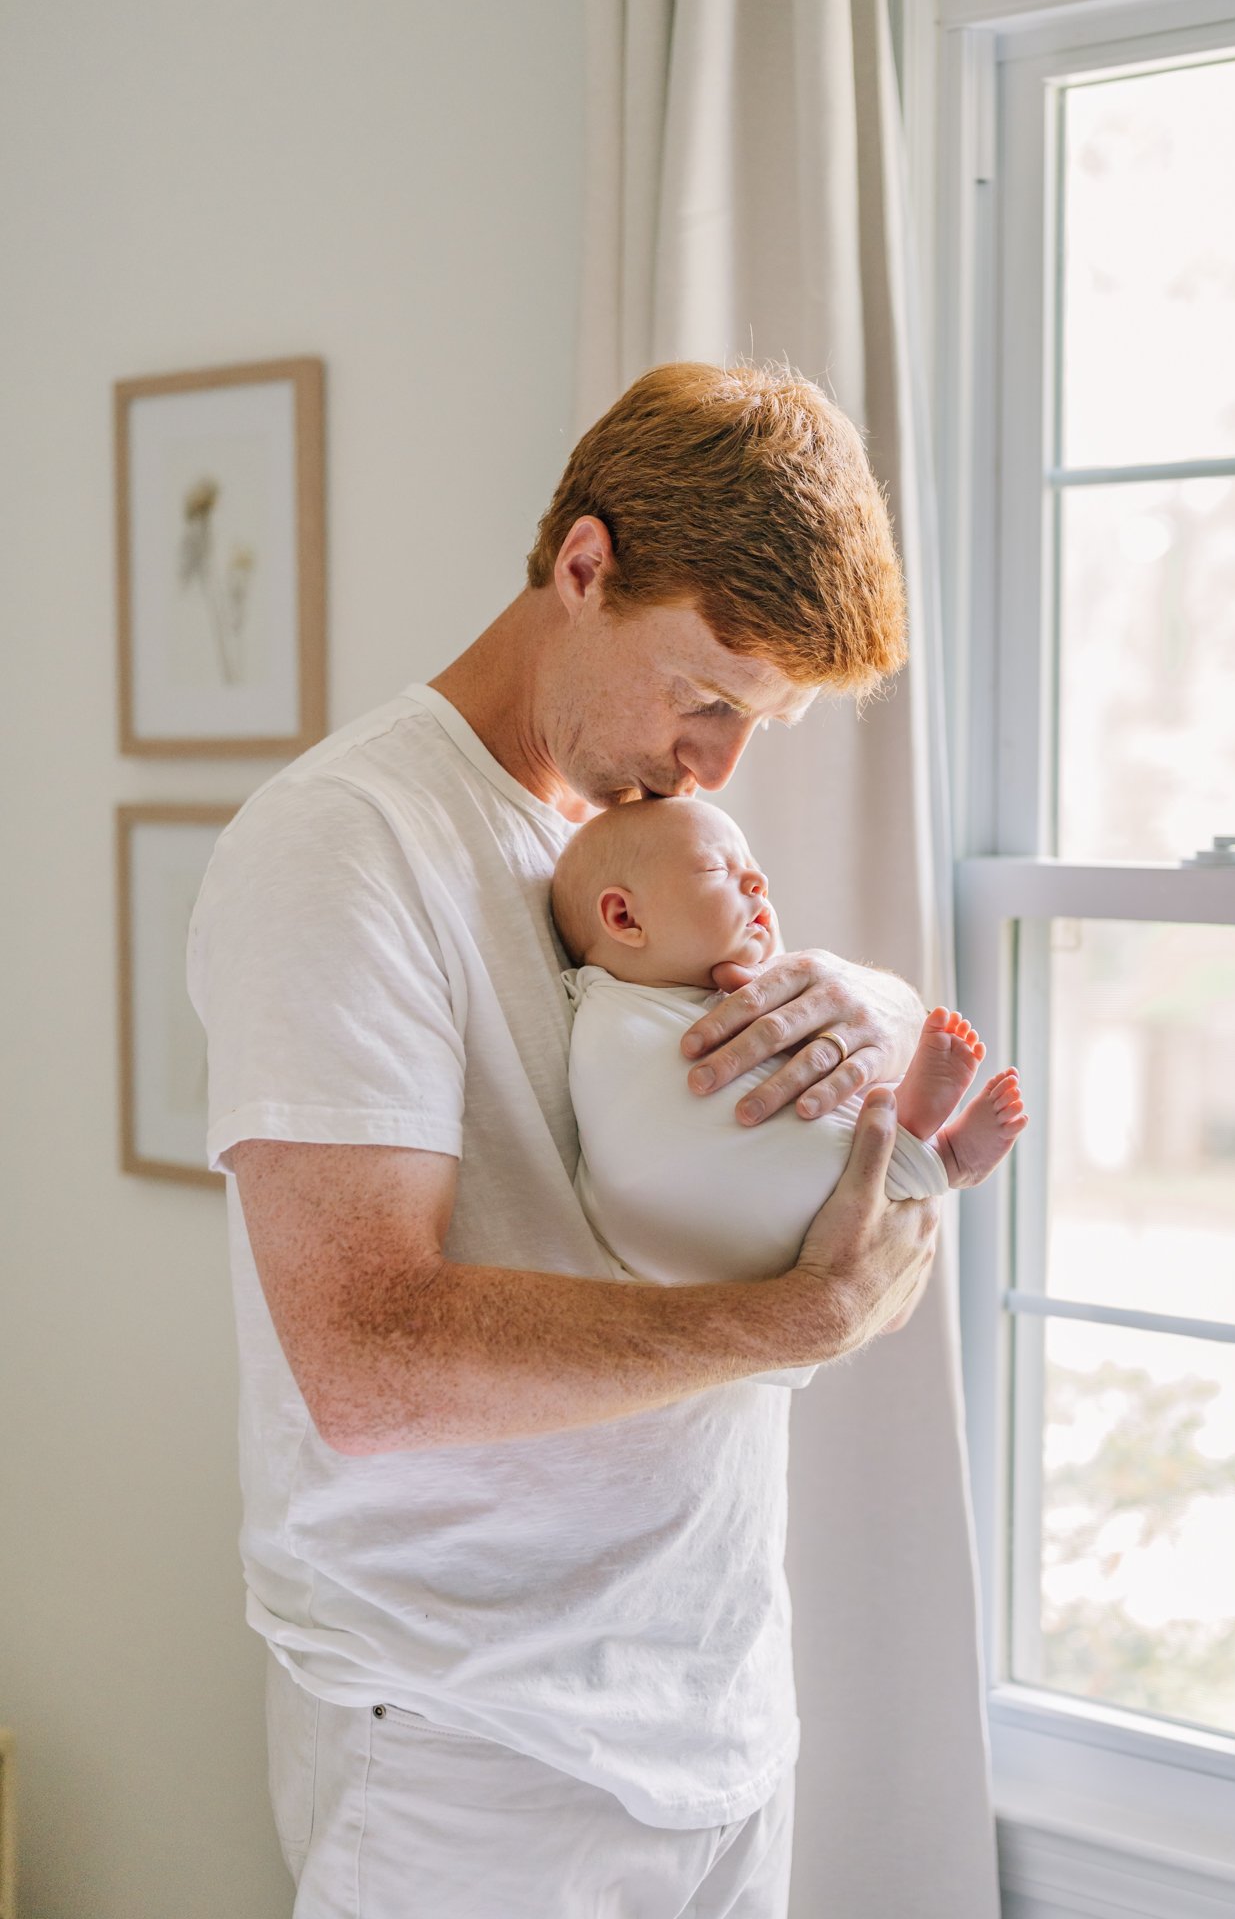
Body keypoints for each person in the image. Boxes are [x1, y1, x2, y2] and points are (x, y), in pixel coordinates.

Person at [188, 360, 944, 1919]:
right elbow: (370, 1357)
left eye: (760, 722)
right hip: (475, 1751)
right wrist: (792, 1318)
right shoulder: (346, 846)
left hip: (714, 1694)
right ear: (584, 568)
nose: (718, 763)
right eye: (707, 695)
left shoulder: (637, 844)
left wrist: (863, 1021)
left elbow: (713, 1185)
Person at [553, 793, 1027, 1386]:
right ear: (624, 918)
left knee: (817, 1091)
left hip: (753, 1269)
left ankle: (919, 1139)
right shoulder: (613, 1014)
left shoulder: (740, 993)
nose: (757, 879)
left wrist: (892, 1007)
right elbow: (639, 1114)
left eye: (750, 866)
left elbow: (892, 1304)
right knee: (790, 1123)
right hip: (678, 1233)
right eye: (717, 869)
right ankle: (930, 1151)